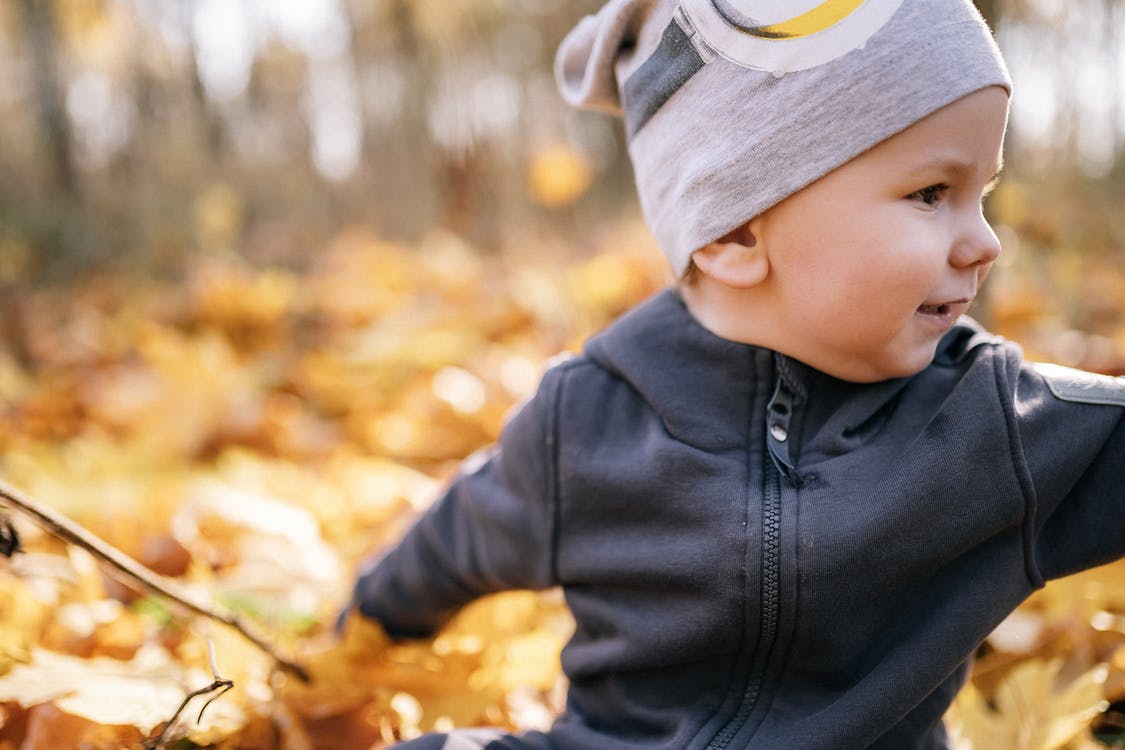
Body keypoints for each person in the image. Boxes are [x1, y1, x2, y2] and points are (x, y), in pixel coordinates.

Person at [341, 1, 1125, 747]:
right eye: (930, 193)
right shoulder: (586, 418)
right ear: (736, 232)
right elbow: (451, 543)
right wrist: (355, 635)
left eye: (979, 196)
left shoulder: (997, 425)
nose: (984, 242)